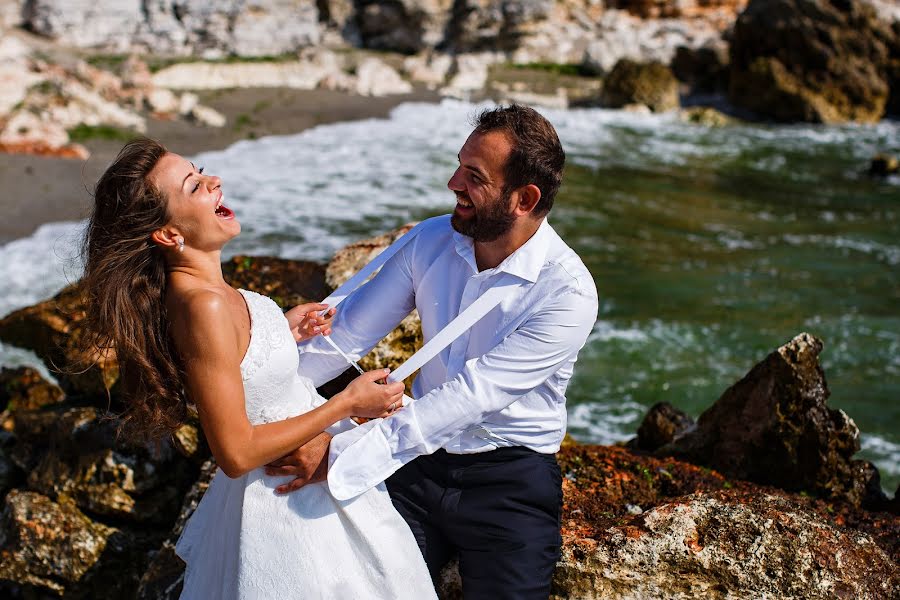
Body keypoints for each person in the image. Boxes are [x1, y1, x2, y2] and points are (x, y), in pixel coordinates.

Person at [80, 139, 437, 600]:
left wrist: (280, 331)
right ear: (169, 235)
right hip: (288, 507)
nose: (215, 182)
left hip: (305, 490)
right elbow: (235, 452)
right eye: (195, 185)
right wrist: (347, 403)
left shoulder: (208, 290)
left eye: (202, 170)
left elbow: (234, 365)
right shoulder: (203, 303)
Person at [274, 105, 599, 599]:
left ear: (524, 198)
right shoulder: (430, 241)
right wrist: (261, 396)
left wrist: (339, 456)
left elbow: (472, 396)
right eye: (458, 166)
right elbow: (347, 337)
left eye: (474, 177)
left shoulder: (567, 292)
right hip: (417, 468)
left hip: (510, 480)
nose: (453, 183)